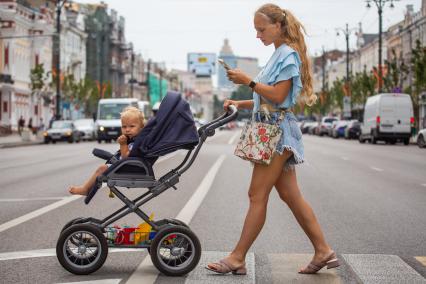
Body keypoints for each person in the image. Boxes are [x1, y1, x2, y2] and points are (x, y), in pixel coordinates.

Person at [206, 3, 339, 275]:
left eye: (261, 29)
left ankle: (237, 257)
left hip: (276, 134)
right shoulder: (278, 54)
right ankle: (324, 250)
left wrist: (248, 80)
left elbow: (279, 97)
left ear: (278, 26)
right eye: (256, 30)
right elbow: (267, 97)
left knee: (257, 195)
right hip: (272, 128)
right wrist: (241, 103)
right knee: (291, 195)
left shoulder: (287, 55)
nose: (258, 35)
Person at [69, 106, 145, 196]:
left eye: (132, 126)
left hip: (130, 169)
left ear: (141, 127)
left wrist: (123, 144)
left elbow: (126, 157)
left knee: (102, 168)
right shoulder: (133, 139)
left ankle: (85, 189)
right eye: (124, 127)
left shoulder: (137, 142)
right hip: (127, 167)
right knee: (103, 167)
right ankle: (87, 188)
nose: (127, 129)